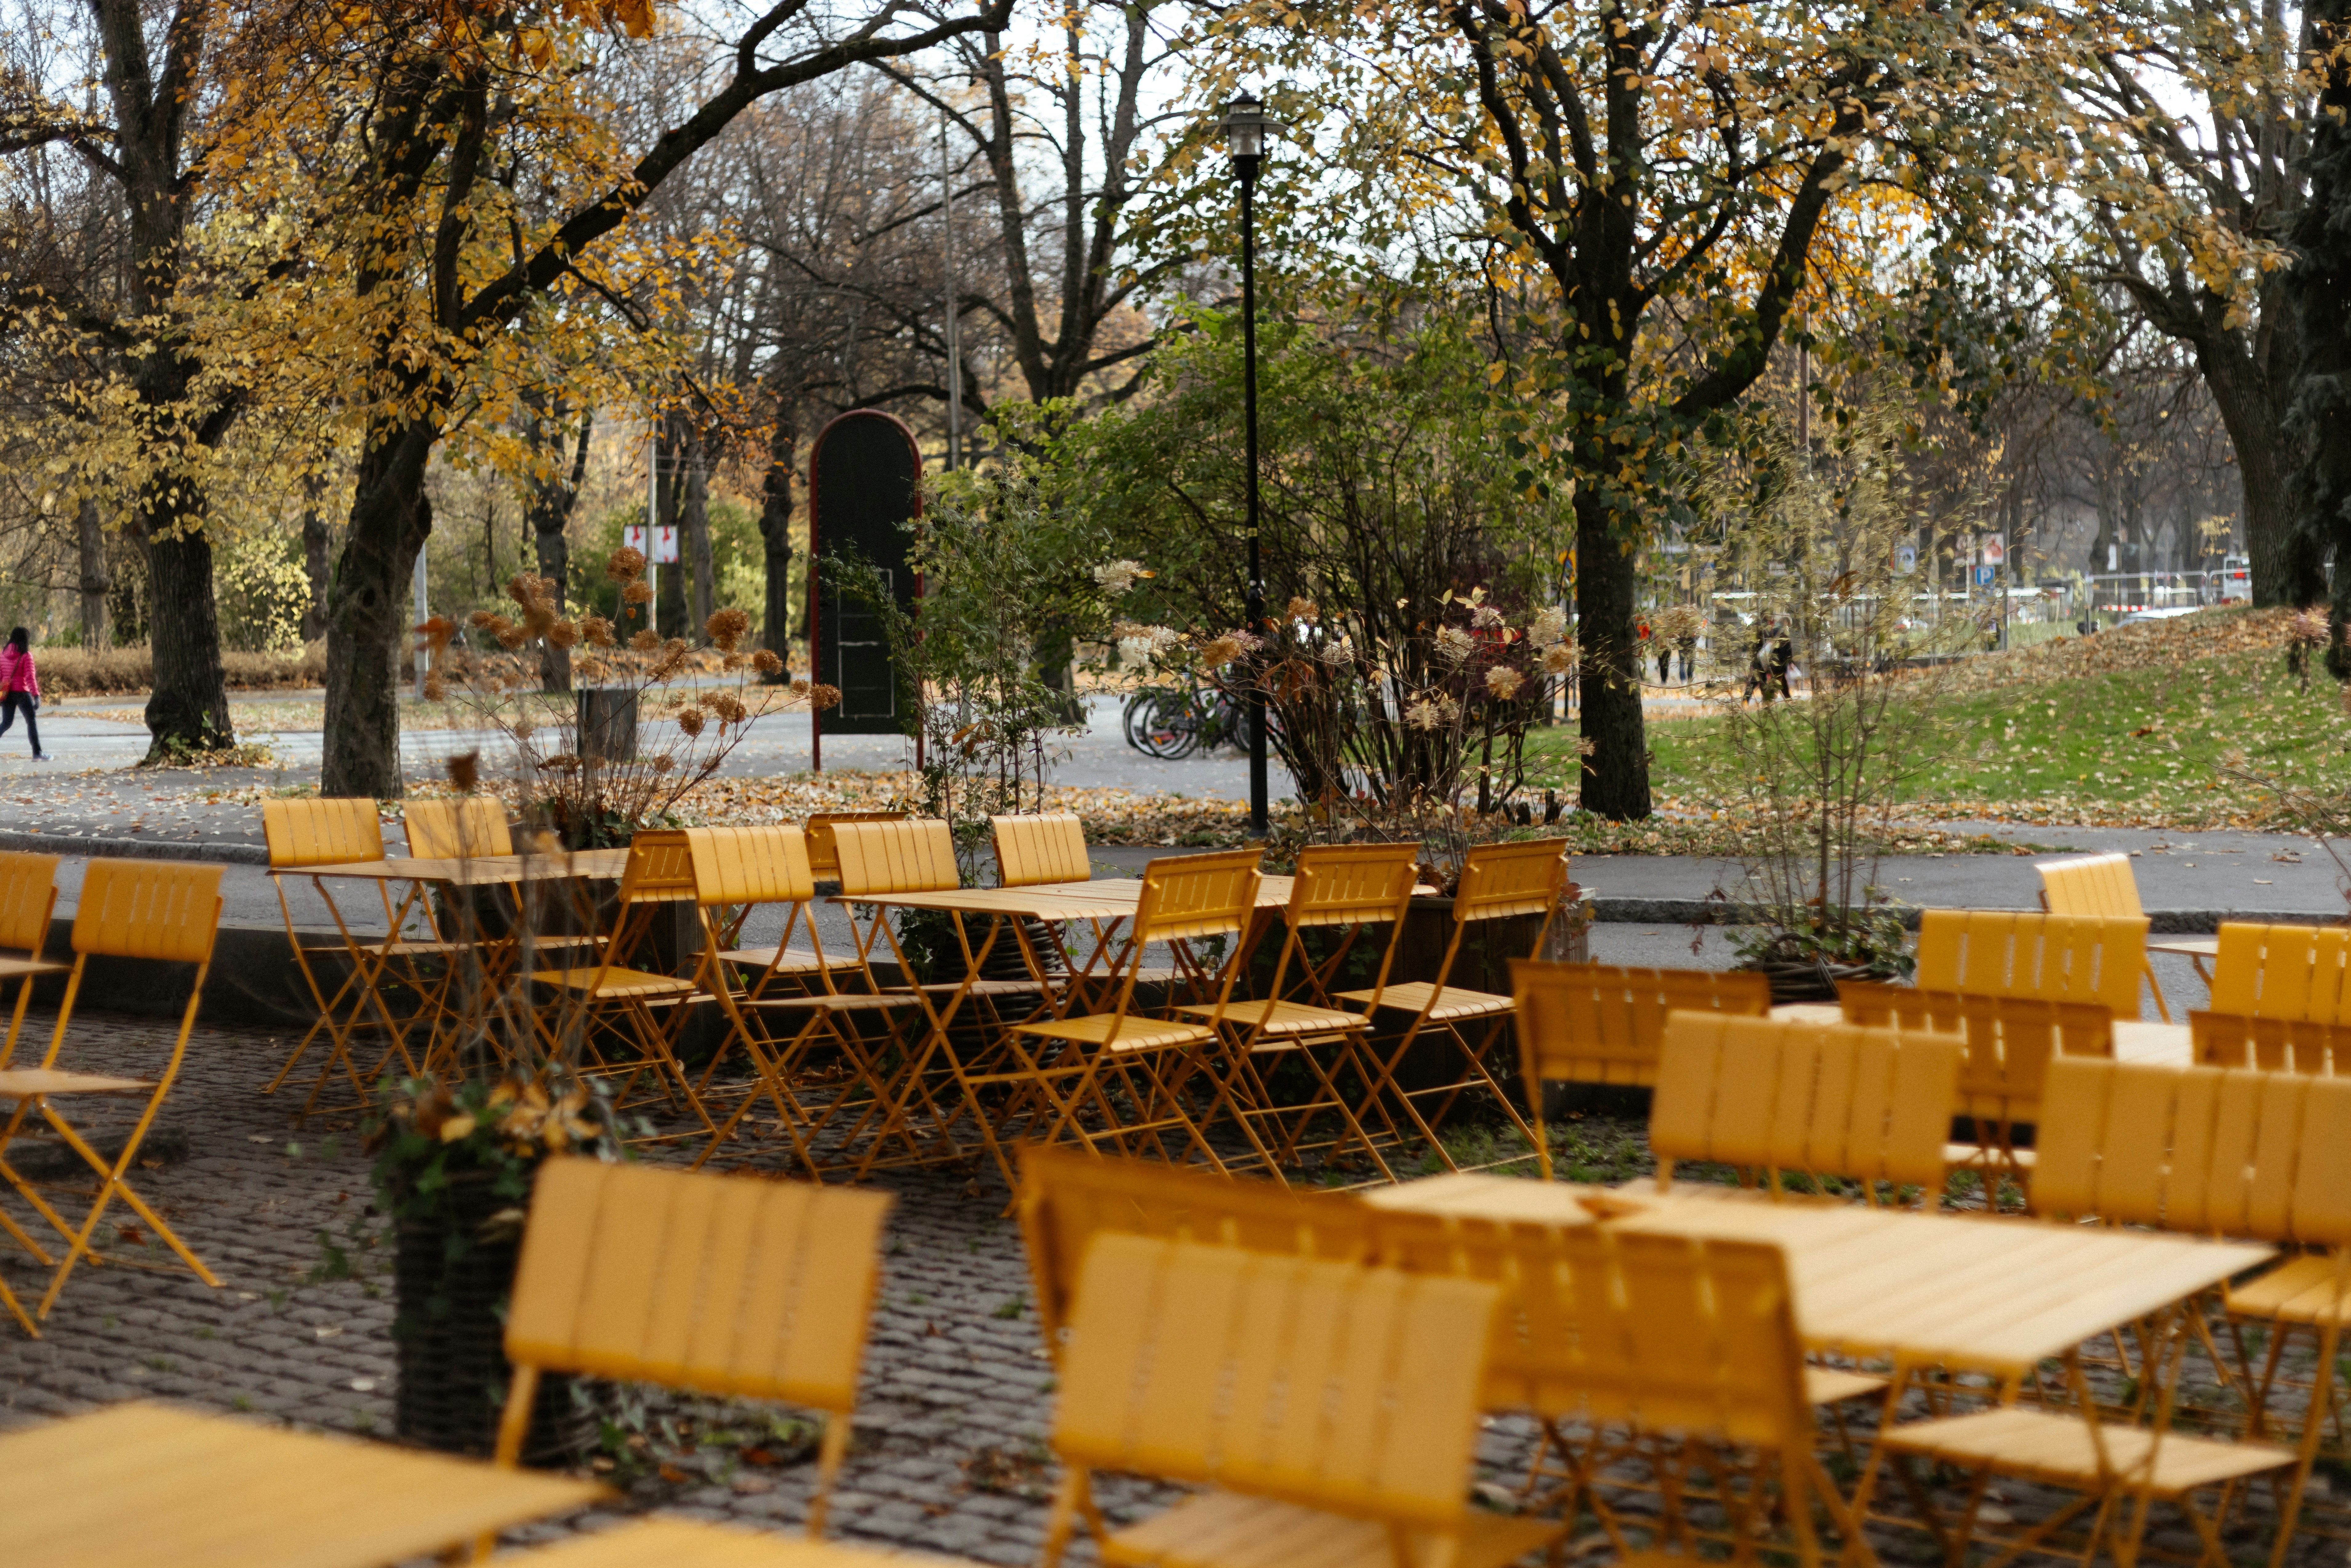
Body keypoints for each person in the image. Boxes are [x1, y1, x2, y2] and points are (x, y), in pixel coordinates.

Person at [0, 629, 45, 760]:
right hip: (22, 693)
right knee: (31, 721)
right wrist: (36, 696)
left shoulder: (2, 654)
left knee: (6, 723)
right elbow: (30, 677)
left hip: (7, 694)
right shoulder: (26, 655)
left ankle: (38, 753)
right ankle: (37, 753)